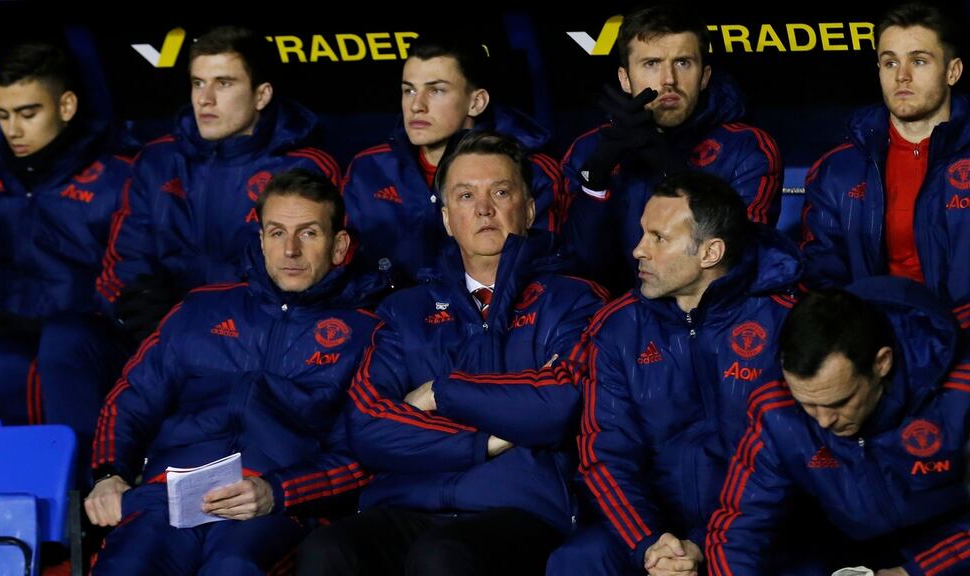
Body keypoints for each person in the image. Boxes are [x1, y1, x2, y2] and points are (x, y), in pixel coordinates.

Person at [296, 131, 607, 576]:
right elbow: (367, 426)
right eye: (465, 195)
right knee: (327, 549)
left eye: (500, 192)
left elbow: (558, 405)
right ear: (446, 218)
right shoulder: (406, 310)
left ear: (531, 208)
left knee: (441, 557)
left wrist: (440, 393)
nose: (483, 209)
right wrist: (491, 439)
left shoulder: (572, 300)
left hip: (521, 508)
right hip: (406, 500)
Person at [85, 169, 382, 575]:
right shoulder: (200, 308)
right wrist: (108, 473)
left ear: (338, 245)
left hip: (274, 507)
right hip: (166, 496)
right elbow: (132, 397)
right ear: (261, 240)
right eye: (277, 233)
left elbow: (366, 452)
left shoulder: (367, 334)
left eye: (309, 233)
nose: (290, 250)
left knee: (233, 566)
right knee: (129, 565)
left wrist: (279, 492)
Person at [547, 172, 803, 576]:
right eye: (641, 234)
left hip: (761, 531)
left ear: (710, 252)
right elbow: (606, 457)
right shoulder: (617, 327)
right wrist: (650, 545)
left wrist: (704, 545)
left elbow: (798, 461)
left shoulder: (786, 322)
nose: (637, 250)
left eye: (658, 238)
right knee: (576, 562)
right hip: (656, 531)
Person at [706, 278, 970, 576]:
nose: (823, 420)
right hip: (847, 555)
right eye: (806, 403)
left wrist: (915, 571)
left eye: (839, 402)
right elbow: (738, 529)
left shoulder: (960, 390)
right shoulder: (776, 408)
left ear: (882, 363)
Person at [96, 25, 340, 343]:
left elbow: (308, 274)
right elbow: (124, 258)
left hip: (251, 337)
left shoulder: (304, 166)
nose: (205, 99)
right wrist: (135, 305)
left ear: (261, 95)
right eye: (198, 83)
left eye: (223, 84)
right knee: (72, 337)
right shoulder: (157, 160)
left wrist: (202, 313)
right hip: (155, 336)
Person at [0, 42, 131, 435]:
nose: (13, 129)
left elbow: (127, 286)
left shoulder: (118, 179)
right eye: (3, 115)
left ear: (66, 106)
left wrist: (39, 325)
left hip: (87, 341)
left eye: (28, 113)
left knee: (53, 344)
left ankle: (80, 484)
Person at [562, 4, 781, 291]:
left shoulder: (747, 148)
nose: (669, 80)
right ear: (625, 79)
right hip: (616, 323)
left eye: (683, 63)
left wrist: (669, 168)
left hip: (705, 322)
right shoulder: (588, 149)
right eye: (651, 63)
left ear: (704, 77)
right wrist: (595, 185)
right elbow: (577, 272)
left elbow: (744, 263)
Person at [343, 32, 569, 288]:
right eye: (409, 90)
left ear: (476, 102)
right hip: (393, 321)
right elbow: (346, 268)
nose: (417, 105)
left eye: (436, 90)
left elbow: (543, 272)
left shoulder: (531, 169)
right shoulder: (367, 169)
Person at [800, 2, 970, 331]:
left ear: (953, 71)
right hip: (874, 345)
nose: (901, 76)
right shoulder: (838, 170)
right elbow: (820, 278)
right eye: (889, 62)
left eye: (919, 61)